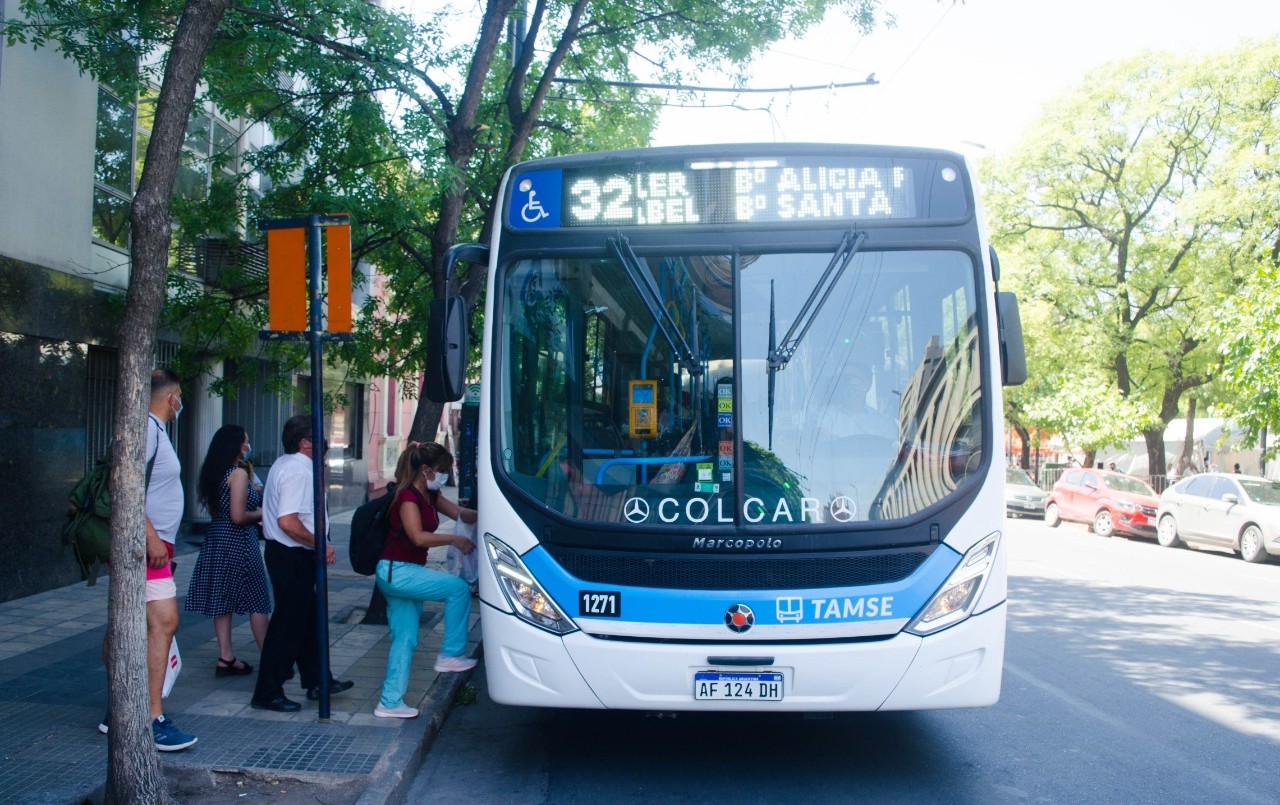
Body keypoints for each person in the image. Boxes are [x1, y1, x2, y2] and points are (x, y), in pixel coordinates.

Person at [99, 368, 197, 751]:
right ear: (171, 397)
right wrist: (151, 536)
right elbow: (122, 486)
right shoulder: (144, 430)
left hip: (152, 544)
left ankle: (122, 708)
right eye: (179, 396)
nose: (180, 403)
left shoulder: (152, 430)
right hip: (145, 544)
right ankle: (149, 717)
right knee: (163, 620)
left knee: (128, 622)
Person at [251, 415, 353, 712]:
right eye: (320, 439)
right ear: (306, 442)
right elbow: (288, 521)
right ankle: (268, 691)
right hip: (292, 554)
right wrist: (320, 545)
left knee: (307, 621)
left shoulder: (289, 465)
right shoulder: (298, 470)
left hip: (287, 554)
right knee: (288, 626)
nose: (327, 445)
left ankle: (319, 678)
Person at [373, 441, 478, 719]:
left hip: (403, 571)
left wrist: (495, 515)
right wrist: (454, 538)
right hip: (397, 571)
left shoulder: (431, 494)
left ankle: (390, 702)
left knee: (404, 638)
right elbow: (417, 536)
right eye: (442, 470)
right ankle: (451, 654)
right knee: (457, 589)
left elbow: (460, 514)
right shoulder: (407, 496)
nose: (445, 475)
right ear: (425, 470)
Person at [187, 424, 271, 676]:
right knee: (258, 599)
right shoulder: (238, 475)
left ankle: (226, 656)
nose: (248, 447)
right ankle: (269, 659)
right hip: (239, 540)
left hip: (217, 538)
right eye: (245, 442)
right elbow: (238, 516)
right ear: (235, 446)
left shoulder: (215, 472)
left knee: (222, 599)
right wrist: (263, 512)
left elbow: (223, 509)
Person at [823, 361, 896, 440]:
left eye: (848, 378)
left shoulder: (884, 424)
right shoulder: (826, 414)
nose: (843, 382)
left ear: (866, 385)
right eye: (841, 379)